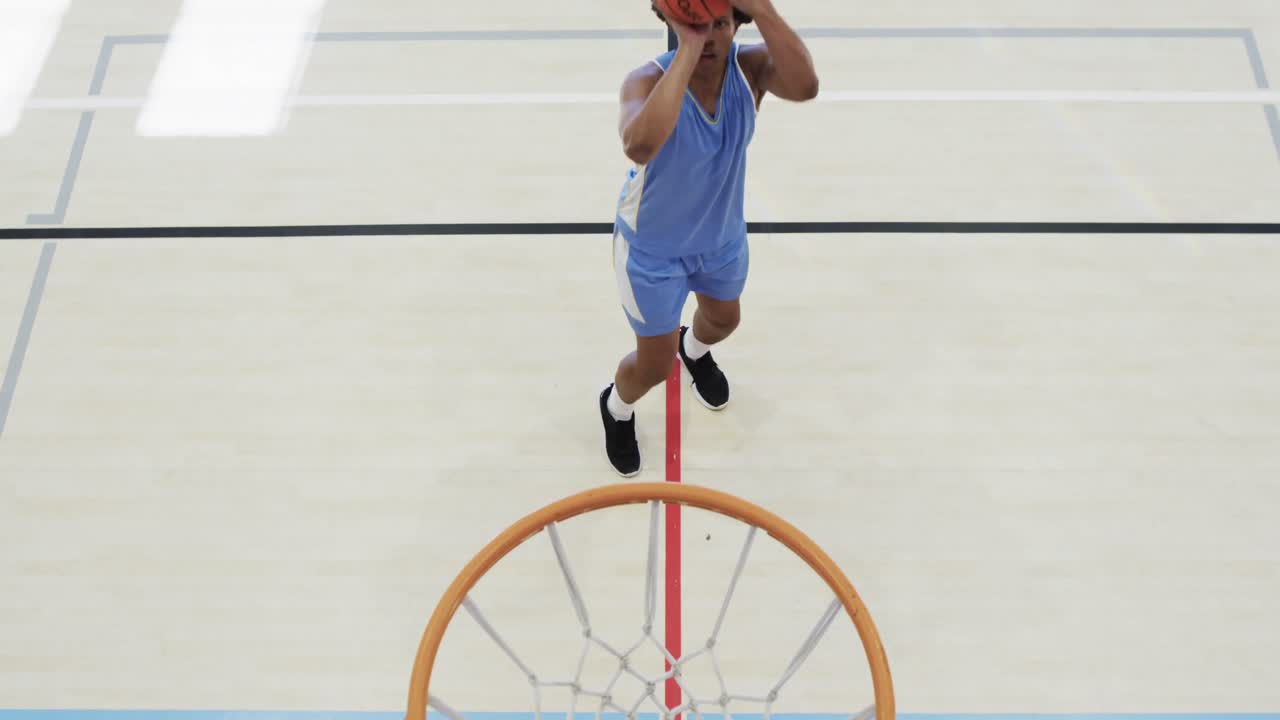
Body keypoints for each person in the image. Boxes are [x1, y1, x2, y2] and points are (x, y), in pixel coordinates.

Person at [599, 0, 820, 476]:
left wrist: (761, 7)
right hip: (651, 253)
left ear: (736, 22)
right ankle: (616, 407)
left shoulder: (751, 70)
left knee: (723, 321)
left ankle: (694, 350)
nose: (711, 36)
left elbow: (806, 87)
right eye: (698, 23)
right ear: (674, 21)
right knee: (653, 368)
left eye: (720, 23)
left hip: (719, 240)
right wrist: (690, 46)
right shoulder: (644, 81)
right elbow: (638, 144)